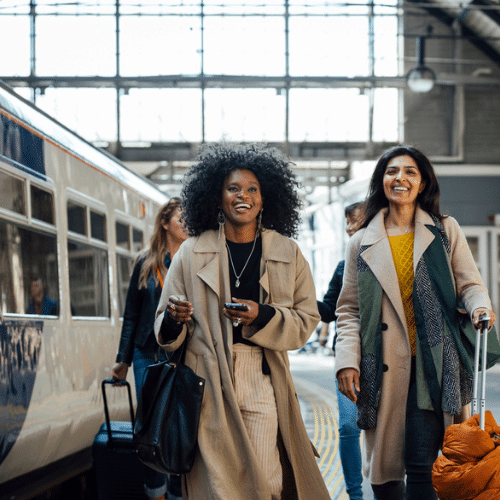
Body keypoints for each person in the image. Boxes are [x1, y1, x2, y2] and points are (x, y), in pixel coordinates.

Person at [154, 143, 331, 500]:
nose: (243, 196)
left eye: (252, 189)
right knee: (220, 485)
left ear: (266, 199)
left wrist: (262, 315)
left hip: (261, 374)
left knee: (266, 480)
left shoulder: (288, 251)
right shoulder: (190, 252)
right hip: (206, 377)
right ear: (217, 197)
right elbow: (163, 325)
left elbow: (306, 317)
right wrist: (175, 318)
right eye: (233, 188)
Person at [334, 145, 496, 500]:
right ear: (382, 181)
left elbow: (469, 283)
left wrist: (480, 306)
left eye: (410, 172)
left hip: (433, 367)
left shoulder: (443, 231)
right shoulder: (361, 241)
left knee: (421, 464)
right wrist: (347, 360)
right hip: (382, 368)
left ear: (422, 184)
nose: (400, 178)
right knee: (384, 475)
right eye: (392, 171)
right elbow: (348, 310)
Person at [112, 198, 189, 500]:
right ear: (165, 222)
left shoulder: (193, 259)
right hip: (147, 353)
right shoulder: (145, 262)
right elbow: (131, 314)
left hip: (180, 352)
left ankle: (177, 491)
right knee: (152, 426)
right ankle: (155, 491)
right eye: (181, 217)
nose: (186, 222)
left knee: (178, 426)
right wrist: (123, 360)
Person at [316, 201, 364, 500]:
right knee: (348, 426)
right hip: (348, 358)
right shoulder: (344, 266)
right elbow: (328, 310)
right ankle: (355, 494)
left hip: (384, 359)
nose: (349, 228)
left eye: (354, 221)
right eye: (346, 223)